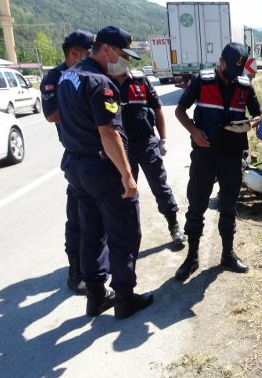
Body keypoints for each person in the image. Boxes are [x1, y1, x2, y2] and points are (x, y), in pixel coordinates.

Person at [57, 26, 153, 319]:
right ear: (107, 50)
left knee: (92, 233)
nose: (126, 62)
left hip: (76, 167)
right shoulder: (101, 83)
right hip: (102, 169)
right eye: (124, 55)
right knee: (124, 231)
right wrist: (126, 174)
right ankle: (124, 298)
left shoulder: (67, 76)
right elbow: (108, 133)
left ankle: (96, 296)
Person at [174, 42, 262, 281]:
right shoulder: (201, 81)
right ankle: (192, 257)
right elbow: (180, 111)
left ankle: (227, 254)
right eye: (229, 71)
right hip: (205, 153)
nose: (232, 78)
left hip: (232, 155)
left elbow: (258, 113)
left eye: (238, 73)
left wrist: (251, 124)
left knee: (229, 206)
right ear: (221, 61)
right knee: (197, 206)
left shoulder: (244, 86)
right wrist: (194, 131)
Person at [40, 29, 95, 294]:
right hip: (76, 154)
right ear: (75, 53)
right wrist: (84, 110)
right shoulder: (55, 76)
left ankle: (98, 264)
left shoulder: (90, 73)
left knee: (102, 214)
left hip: (99, 152)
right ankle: (76, 270)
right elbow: (51, 114)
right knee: (76, 215)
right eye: (88, 53)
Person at [111, 67, 187, 245]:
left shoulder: (139, 79)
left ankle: (174, 227)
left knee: (160, 185)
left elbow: (157, 108)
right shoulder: (105, 81)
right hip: (122, 147)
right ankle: (128, 234)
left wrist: (163, 139)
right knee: (125, 190)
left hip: (146, 142)